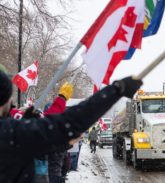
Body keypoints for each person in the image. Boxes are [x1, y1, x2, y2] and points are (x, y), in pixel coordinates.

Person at [0, 70, 142, 182]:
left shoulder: (13, 132)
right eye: (10, 98)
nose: (12, 102)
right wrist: (117, 89)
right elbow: (70, 122)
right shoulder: (11, 133)